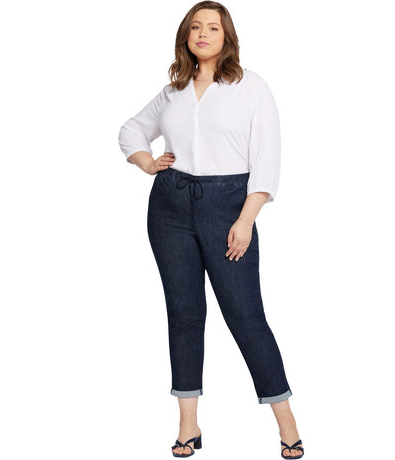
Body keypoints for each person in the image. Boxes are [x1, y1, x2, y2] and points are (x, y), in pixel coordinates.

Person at [118, 2, 305, 458]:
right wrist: (148, 163)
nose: (203, 33)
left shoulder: (251, 87)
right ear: (186, 36)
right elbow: (130, 131)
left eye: (213, 27)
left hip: (228, 207)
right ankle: (189, 425)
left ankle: (287, 424)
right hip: (170, 206)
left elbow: (267, 159)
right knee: (184, 314)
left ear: (227, 37)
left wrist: (246, 219)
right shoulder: (173, 91)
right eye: (196, 27)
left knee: (245, 316)